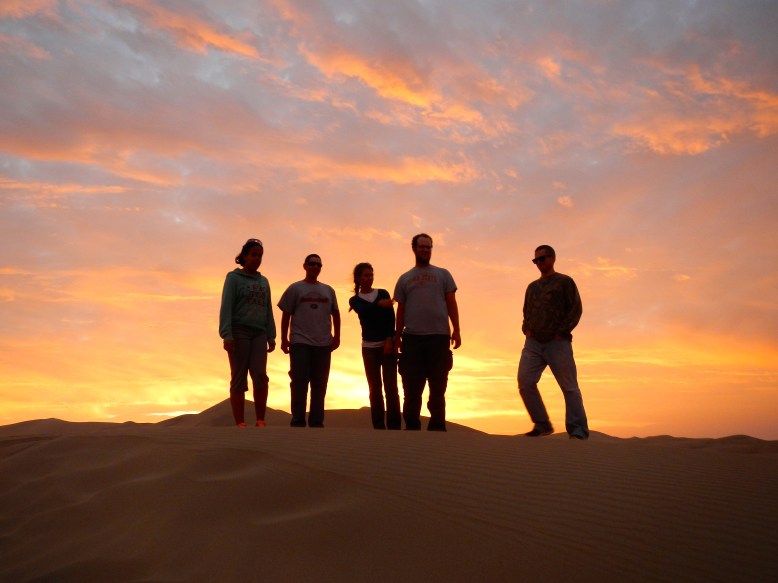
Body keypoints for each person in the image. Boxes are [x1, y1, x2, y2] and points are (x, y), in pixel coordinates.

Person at [517, 245, 589, 440]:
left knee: (569, 387)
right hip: (533, 343)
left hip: (558, 343)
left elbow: (576, 308)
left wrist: (562, 332)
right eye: (536, 260)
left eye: (542, 259)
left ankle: (578, 430)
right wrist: (527, 329)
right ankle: (542, 424)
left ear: (553, 258)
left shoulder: (564, 282)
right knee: (525, 381)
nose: (539, 263)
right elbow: (526, 311)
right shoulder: (532, 287)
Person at [393, 234, 461, 431]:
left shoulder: (444, 274)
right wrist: (397, 336)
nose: (425, 250)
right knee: (412, 387)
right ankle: (412, 427)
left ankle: (437, 427)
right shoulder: (404, 278)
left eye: (429, 247)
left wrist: (456, 329)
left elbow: (451, 302)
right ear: (414, 249)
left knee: (438, 386)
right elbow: (401, 310)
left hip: (439, 337)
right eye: (422, 247)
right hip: (412, 338)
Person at [219, 238, 276, 427]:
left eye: (260, 256)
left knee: (260, 374)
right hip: (239, 331)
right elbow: (226, 306)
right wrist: (227, 334)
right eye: (253, 255)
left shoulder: (264, 281)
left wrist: (271, 335)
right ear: (244, 256)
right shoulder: (233, 278)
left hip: (259, 332)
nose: (257, 259)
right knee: (239, 376)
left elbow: (268, 309)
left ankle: (260, 419)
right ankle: (240, 422)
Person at [277, 254, 340, 427]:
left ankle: (316, 421)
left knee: (320, 384)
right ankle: (298, 419)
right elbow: (286, 313)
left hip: (323, 343)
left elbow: (335, 313)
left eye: (318, 265)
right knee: (299, 381)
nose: (315, 267)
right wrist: (283, 338)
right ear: (304, 266)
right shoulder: (295, 288)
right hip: (300, 341)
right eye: (312, 264)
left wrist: (337, 337)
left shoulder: (329, 290)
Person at [348, 263, 401, 430]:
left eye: (371, 275)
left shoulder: (383, 293)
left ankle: (394, 426)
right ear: (358, 278)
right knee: (375, 388)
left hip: (386, 345)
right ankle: (378, 426)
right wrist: (379, 305)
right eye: (366, 275)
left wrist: (389, 339)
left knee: (391, 387)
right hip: (369, 348)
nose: (370, 278)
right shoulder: (355, 300)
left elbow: (390, 318)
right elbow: (364, 312)